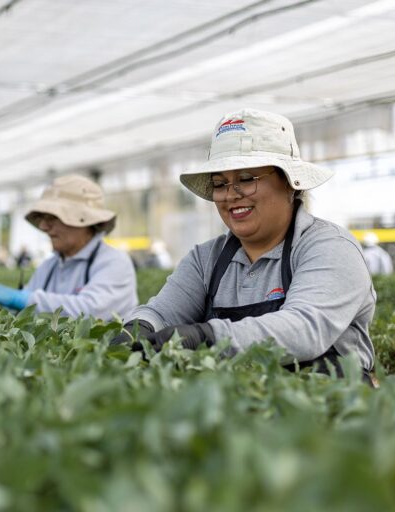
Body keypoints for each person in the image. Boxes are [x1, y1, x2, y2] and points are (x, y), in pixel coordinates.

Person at [112, 108, 376, 383]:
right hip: (243, 408)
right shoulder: (206, 259)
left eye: (247, 179)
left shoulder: (329, 247)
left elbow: (304, 330)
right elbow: (162, 313)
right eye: (220, 184)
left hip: (333, 410)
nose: (230, 195)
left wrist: (208, 337)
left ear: (290, 183)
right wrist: (139, 328)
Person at [0, 175, 138, 320]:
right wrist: (2, 307)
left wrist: (21, 299)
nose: (43, 227)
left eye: (52, 218)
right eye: (42, 218)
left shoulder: (113, 262)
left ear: (83, 220)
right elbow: (25, 313)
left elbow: (90, 311)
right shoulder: (48, 267)